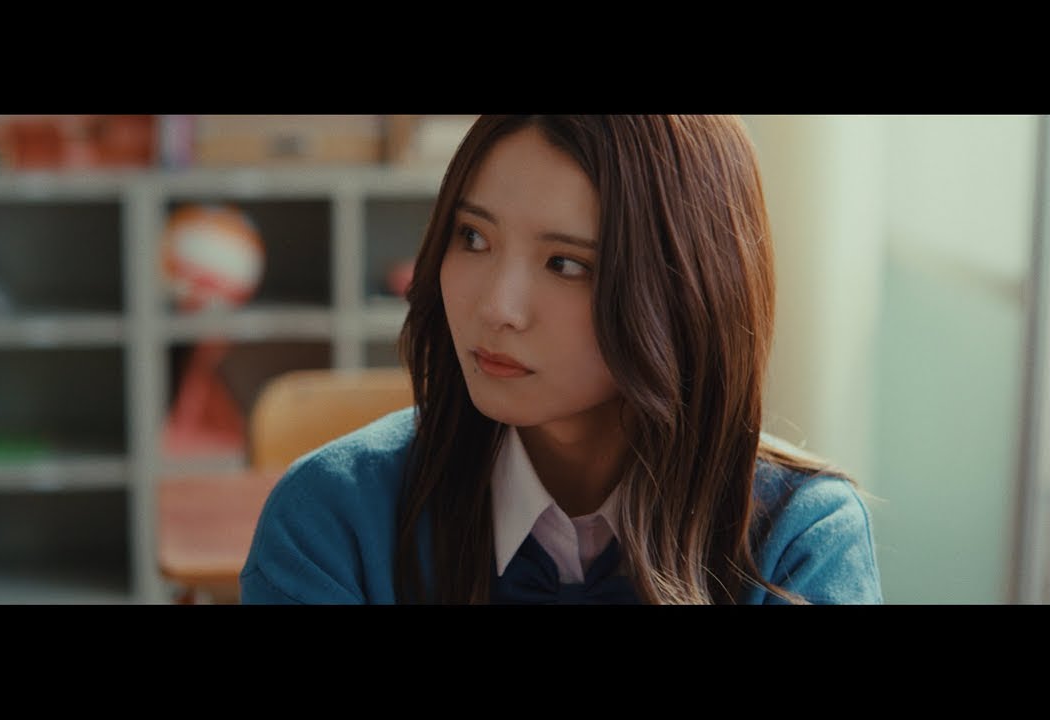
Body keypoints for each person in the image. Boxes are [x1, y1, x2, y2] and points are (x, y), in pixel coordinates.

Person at [239, 115, 883, 604]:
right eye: (473, 237)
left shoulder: (800, 538)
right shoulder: (331, 520)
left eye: (566, 264)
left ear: (686, 289)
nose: (498, 307)